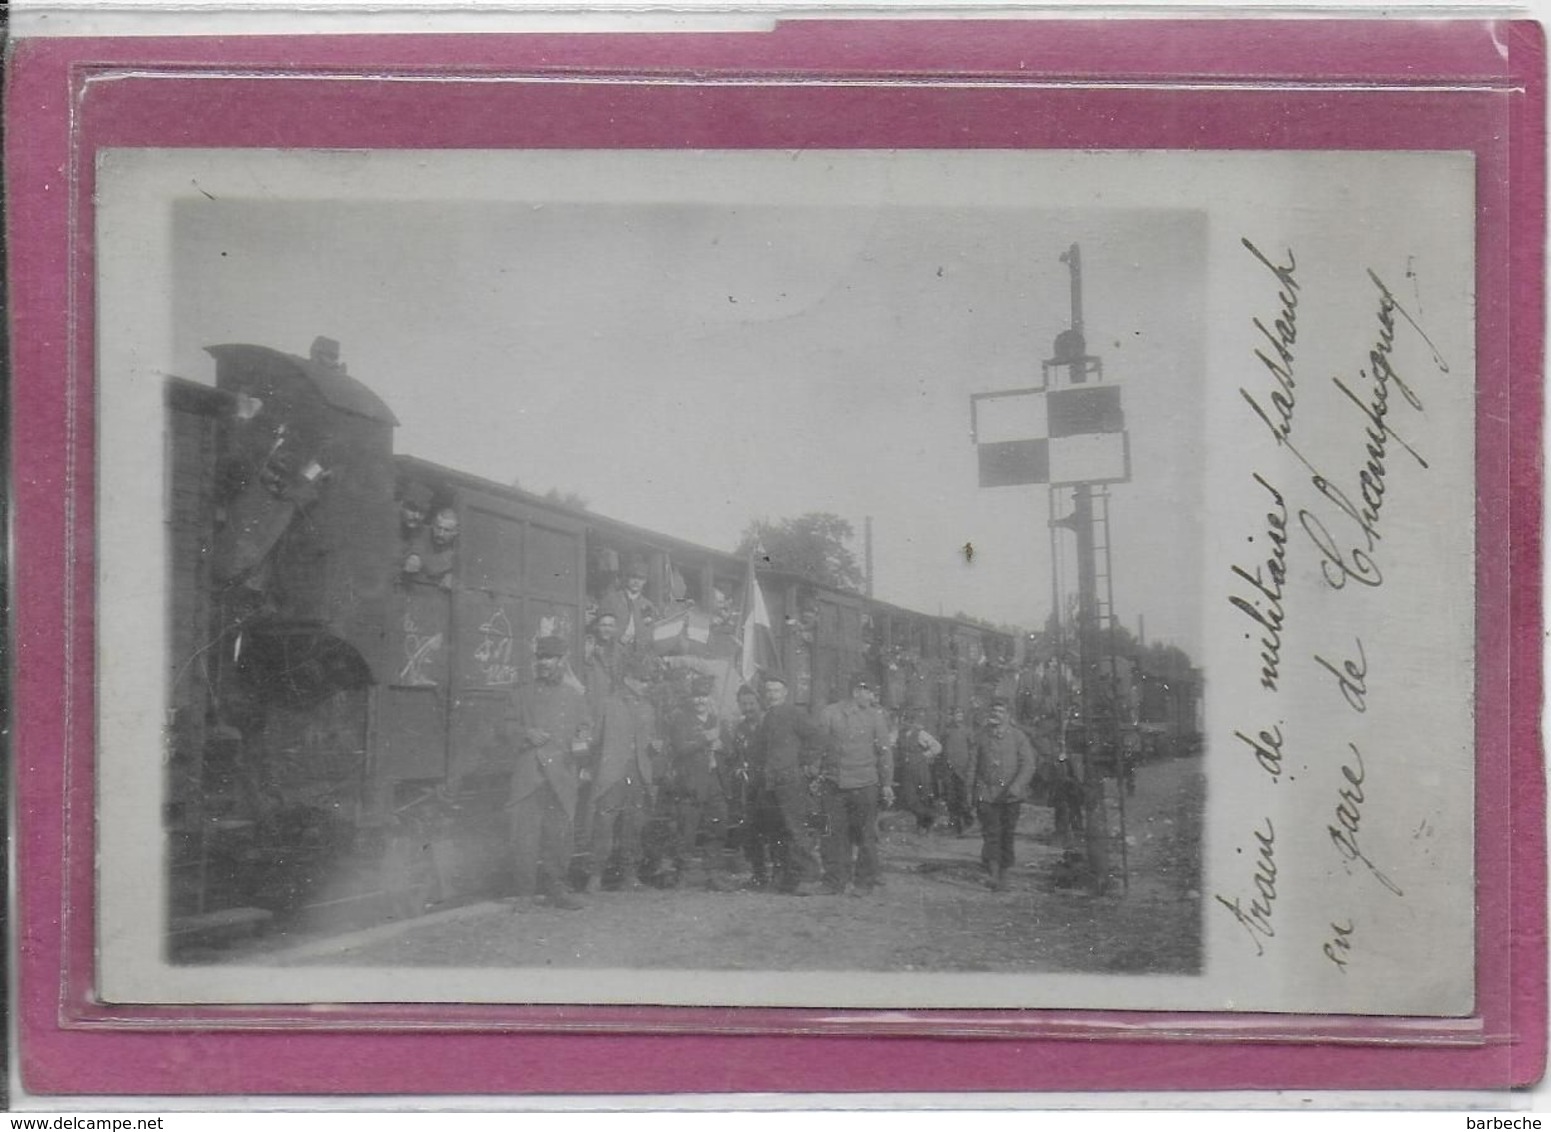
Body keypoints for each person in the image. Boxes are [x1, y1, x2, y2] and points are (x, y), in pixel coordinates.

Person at [472, 635, 591, 910]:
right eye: (541, 658)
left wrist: (582, 740)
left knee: (559, 838)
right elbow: (504, 729)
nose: (544, 663)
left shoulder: (574, 697)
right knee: (524, 838)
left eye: (550, 658)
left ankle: (557, 890)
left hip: (561, 776)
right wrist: (527, 733)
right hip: (529, 777)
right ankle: (524, 894)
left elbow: (586, 727)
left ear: (562, 661)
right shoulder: (521, 694)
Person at [581, 652, 658, 892]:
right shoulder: (608, 704)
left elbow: (651, 740)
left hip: (638, 773)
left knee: (634, 824)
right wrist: (589, 768)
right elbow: (593, 739)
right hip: (612, 773)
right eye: (642, 679)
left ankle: (630, 876)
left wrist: (655, 746)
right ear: (628, 679)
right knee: (604, 823)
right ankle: (595, 876)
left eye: (648, 680)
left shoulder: (648, 708)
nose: (646, 685)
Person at [816, 676, 894, 895]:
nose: (872, 697)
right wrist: (814, 774)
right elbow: (819, 746)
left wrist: (887, 783)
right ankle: (833, 881)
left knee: (866, 836)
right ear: (856, 691)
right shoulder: (830, 713)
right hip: (834, 784)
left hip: (865, 785)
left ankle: (863, 882)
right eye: (869, 692)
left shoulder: (876, 718)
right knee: (831, 834)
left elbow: (885, 753)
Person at [749, 672, 826, 894]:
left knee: (796, 829)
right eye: (768, 691)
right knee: (776, 831)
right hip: (771, 782)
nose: (771, 695)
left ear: (785, 693)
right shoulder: (767, 716)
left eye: (776, 691)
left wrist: (806, 763)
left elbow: (818, 736)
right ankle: (783, 878)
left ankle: (809, 877)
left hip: (790, 780)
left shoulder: (794, 713)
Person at [665, 675, 731, 881]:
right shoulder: (681, 720)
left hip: (714, 781)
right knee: (687, 828)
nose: (700, 701)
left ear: (709, 697)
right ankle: (681, 873)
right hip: (691, 781)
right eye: (696, 696)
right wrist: (704, 738)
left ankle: (713, 872)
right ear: (691, 698)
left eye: (704, 696)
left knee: (717, 824)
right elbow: (680, 748)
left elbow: (731, 750)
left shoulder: (717, 720)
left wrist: (722, 746)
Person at [967, 696, 1036, 891]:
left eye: (1000, 712)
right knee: (991, 833)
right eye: (993, 711)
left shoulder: (1018, 737)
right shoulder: (981, 736)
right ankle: (994, 874)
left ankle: (1005, 871)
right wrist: (969, 792)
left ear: (1008, 715)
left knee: (1007, 834)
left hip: (1010, 795)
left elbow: (1028, 764)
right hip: (986, 793)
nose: (995, 715)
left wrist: (1017, 785)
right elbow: (972, 766)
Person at [720, 684, 763, 878]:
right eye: (744, 704)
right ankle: (758, 873)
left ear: (759, 703)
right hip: (748, 786)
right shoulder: (740, 728)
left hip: (768, 783)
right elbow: (735, 755)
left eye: (752, 703)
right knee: (750, 828)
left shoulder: (768, 723)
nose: (748, 708)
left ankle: (781, 873)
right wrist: (737, 766)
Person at [894, 705, 943, 833]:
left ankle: (924, 824)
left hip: (920, 770)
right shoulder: (899, 734)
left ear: (913, 722)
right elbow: (889, 743)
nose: (907, 723)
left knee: (924, 797)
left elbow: (937, 747)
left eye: (910, 720)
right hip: (906, 772)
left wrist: (925, 755)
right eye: (905, 720)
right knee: (910, 800)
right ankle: (928, 818)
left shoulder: (921, 734)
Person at [599, 556, 657, 650]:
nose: (636, 581)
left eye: (641, 578)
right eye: (633, 577)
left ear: (645, 581)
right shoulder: (612, 599)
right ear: (627, 578)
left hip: (636, 653)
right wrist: (618, 638)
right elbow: (601, 628)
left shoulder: (647, 605)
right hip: (612, 650)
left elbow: (648, 631)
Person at [936, 705, 975, 835]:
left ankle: (969, 820)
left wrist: (970, 768)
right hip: (948, 770)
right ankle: (956, 825)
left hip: (962, 770)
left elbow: (973, 750)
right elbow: (941, 750)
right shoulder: (946, 732)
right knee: (950, 798)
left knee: (963, 798)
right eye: (954, 715)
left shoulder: (967, 731)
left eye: (959, 715)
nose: (957, 717)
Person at [583, 611, 624, 714]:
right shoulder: (588, 645)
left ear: (615, 629)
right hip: (592, 699)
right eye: (603, 625)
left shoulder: (620, 651)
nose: (607, 629)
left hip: (612, 703)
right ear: (597, 627)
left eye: (610, 626)